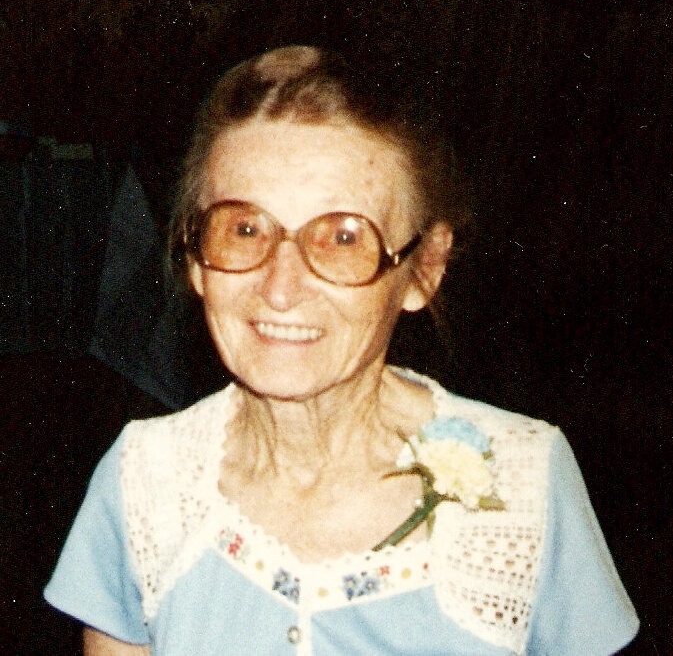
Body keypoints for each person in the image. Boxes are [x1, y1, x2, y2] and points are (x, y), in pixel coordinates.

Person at [45, 45, 638, 655]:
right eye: (244, 228)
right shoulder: (145, 480)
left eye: (343, 238)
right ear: (196, 255)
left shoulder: (523, 481)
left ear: (423, 269)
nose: (280, 288)